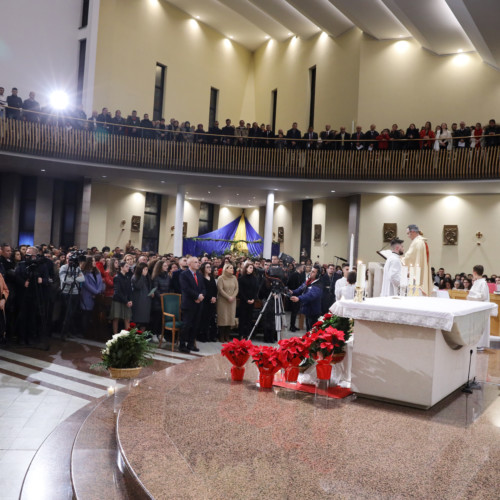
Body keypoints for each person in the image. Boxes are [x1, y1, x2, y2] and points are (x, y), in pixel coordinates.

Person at [179, 256, 205, 353]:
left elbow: (203, 288)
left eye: (198, 262)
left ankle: (191, 344)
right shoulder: (184, 274)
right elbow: (186, 288)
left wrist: (201, 296)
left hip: (198, 304)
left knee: (195, 325)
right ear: (189, 264)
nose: (198, 263)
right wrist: (197, 296)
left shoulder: (199, 275)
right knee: (186, 325)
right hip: (189, 303)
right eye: (195, 262)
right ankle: (182, 345)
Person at [290, 265, 323, 331]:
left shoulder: (318, 284)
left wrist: (299, 298)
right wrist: (292, 292)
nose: (310, 273)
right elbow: (300, 289)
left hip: (313, 311)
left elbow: (310, 295)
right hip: (308, 310)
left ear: (318, 274)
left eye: (313, 272)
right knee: (308, 329)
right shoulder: (309, 281)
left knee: (312, 330)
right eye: (311, 271)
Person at [402, 224, 432, 296]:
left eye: (408, 233)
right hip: (421, 271)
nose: (408, 236)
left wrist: (400, 259)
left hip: (416, 275)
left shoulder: (416, 242)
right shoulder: (422, 241)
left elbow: (409, 257)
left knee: (415, 294)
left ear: (413, 232)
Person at [467, 265, 490, 350]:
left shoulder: (483, 283)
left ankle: (480, 344)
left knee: (480, 327)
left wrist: (471, 296)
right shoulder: (477, 282)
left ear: (474, 272)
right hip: (476, 308)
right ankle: (475, 343)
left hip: (481, 309)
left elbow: (483, 296)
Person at [80, 256, 104, 338]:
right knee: (86, 314)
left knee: (93, 314)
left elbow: (100, 282)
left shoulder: (97, 272)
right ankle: (84, 332)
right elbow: (86, 284)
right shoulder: (84, 272)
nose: (94, 262)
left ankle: (92, 333)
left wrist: (98, 291)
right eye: (93, 261)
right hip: (87, 295)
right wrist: (96, 292)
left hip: (96, 296)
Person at [217, 262, 238, 342]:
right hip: (223, 301)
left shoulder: (234, 278)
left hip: (232, 301)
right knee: (223, 318)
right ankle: (221, 336)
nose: (232, 269)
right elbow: (220, 289)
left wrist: (233, 296)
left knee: (230, 318)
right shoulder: (221, 278)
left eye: (233, 268)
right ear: (226, 269)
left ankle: (227, 336)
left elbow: (236, 288)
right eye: (231, 268)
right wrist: (228, 297)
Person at [110, 261, 133, 334]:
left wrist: (130, 300)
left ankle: (129, 337)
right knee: (116, 318)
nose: (128, 267)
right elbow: (117, 292)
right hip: (118, 300)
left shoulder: (127, 277)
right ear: (121, 267)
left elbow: (129, 290)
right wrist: (126, 301)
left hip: (126, 300)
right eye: (126, 266)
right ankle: (115, 335)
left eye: (128, 266)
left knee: (127, 318)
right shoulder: (117, 277)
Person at [237, 261, 259, 340]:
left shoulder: (255, 278)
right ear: (246, 268)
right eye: (250, 267)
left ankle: (247, 335)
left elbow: (256, 289)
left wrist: (253, 299)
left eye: (252, 268)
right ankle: (241, 335)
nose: (251, 269)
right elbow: (241, 291)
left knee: (249, 319)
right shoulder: (241, 278)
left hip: (252, 301)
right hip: (244, 301)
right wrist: (246, 299)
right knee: (242, 319)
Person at [151, 260, 171, 339]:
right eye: (165, 266)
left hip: (165, 300)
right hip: (157, 301)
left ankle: (160, 334)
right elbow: (155, 289)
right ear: (160, 267)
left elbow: (169, 288)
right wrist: (162, 297)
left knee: (162, 319)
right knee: (156, 318)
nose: (167, 267)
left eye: (167, 266)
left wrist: (167, 297)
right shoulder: (156, 276)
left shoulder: (168, 276)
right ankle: (154, 334)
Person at [198, 262, 218, 342]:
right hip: (205, 301)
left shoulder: (212, 278)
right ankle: (203, 336)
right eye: (207, 267)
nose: (210, 268)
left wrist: (214, 297)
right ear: (203, 269)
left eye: (210, 267)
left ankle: (212, 336)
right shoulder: (201, 278)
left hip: (212, 301)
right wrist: (210, 298)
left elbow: (215, 289)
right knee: (204, 319)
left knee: (212, 319)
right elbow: (203, 290)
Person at [131, 262, 152, 330]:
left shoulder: (148, 276)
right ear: (141, 269)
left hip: (146, 301)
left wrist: (151, 292)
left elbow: (149, 286)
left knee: (144, 321)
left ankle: (142, 337)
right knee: (137, 320)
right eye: (145, 269)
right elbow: (138, 286)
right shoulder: (135, 277)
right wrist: (142, 276)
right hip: (138, 301)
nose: (146, 271)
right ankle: (135, 336)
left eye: (147, 269)